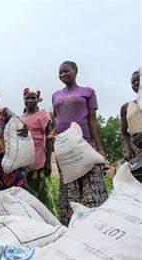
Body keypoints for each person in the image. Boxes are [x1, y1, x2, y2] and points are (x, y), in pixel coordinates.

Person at [52, 60, 108, 226]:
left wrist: (100, 149)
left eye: (66, 71)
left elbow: (92, 120)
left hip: (84, 144)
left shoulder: (88, 92)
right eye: (60, 72)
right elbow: (59, 119)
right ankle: (72, 227)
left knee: (92, 185)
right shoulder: (56, 95)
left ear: (76, 71)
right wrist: (54, 133)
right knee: (70, 189)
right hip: (64, 147)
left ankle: (96, 226)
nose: (63, 75)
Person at [19, 88, 56, 213]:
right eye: (27, 98)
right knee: (29, 199)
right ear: (23, 99)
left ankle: (52, 224)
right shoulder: (20, 118)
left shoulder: (43, 115)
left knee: (45, 196)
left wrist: (48, 163)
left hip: (40, 162)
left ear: (38, 99)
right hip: (26, 164)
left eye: (33, 98)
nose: (30, 100)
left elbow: (49, 138)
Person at [120, 69, 142, 181]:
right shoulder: (126, 107)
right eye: (133, 82)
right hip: (138, 152)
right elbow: (124, 133)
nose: (136, 83)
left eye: (139, 80)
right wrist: (128, 150)